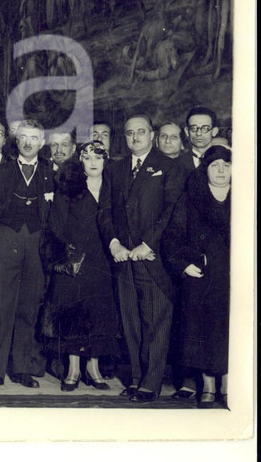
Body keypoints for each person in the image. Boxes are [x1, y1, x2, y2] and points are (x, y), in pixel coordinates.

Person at [101, 114, 182, 403]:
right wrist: (113, 243)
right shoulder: (115, 168)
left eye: (141, 132)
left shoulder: (169, 167)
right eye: (129, 133)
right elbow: (105, 210)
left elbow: (171, 211)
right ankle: (136, 378)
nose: (135, 137)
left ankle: (151, 383)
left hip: (153, 258)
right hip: (123, 258)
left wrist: (148, 244)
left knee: (156, 321)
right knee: (131, 321)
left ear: (152, 135)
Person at [0, 119, 53, 389]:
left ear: (42, 143)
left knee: (28, 308)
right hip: (6, 241)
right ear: (16, 141)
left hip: (37, 245)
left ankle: (21, 369)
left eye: (34, 138)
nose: (28, 143)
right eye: (24, 138)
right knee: (1, 306)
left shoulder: (50, 172)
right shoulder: (0, 173)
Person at [42, 142, 119, 391]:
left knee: (97, 313)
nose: (93, 163)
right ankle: (73, 369)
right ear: (80, 161)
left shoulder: (112, 185)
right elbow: (56, 224)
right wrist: (64, 258)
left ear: (106, 161)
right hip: (75, 258)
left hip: (102, 258)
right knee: (74, 315)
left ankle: (93, 368)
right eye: (88, 158)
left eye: (98, 158)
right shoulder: (69, 186)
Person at [162, 145, 231, 408]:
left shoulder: (246, 197)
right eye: (215, 165)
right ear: (205, 170)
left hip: (234, 280)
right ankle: (208, 386)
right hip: (201, 278)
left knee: (230, 331)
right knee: (202, 331)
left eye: (226, 165)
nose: (221, 170)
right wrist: (184, 265)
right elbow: (172, 237)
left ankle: (228, 386)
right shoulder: (190, 198)